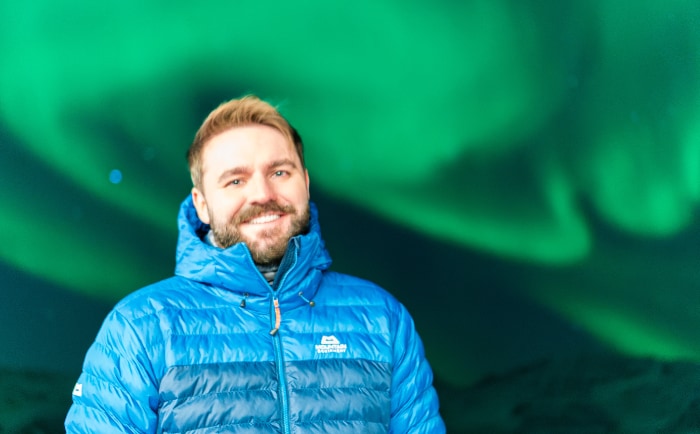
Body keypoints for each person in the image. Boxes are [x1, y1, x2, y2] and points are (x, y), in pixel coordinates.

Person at [65, 95, 446, 433]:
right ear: (201, 204)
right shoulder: (141, 328)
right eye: (235, 181)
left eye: (280, 172)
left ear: (306, 183)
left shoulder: (382, 319)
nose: (263, 194)